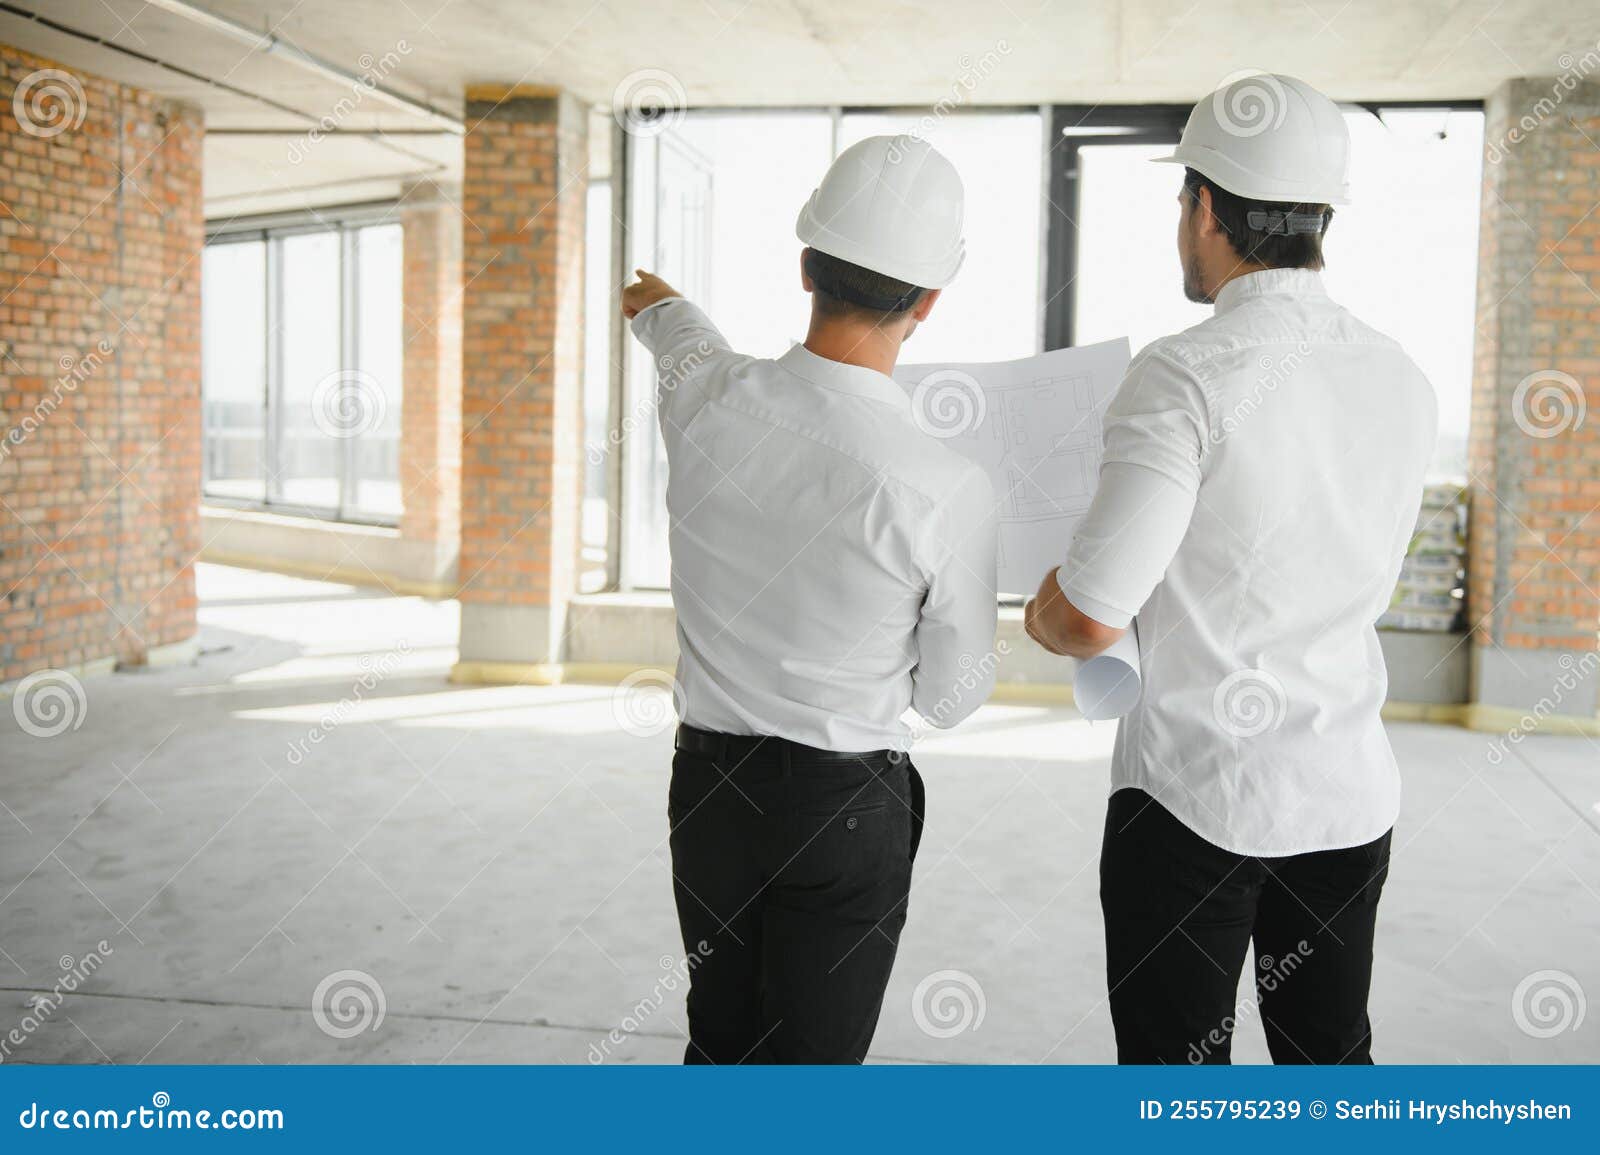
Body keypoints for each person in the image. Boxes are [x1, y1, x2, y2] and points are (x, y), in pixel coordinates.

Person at [1024, 75, 1437, 1064]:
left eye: (1181, 201)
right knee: (1329, 1062)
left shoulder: (1185, 373)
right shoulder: (1399, 376)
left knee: (1177, 1083)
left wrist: (1045, 604)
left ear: (1205, 207)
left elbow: (1086, 617)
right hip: (1343, 793)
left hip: (1193, 801)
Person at [621, 135, 998, 1064]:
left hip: (707, 793)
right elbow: (948, 699)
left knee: (719, 1042)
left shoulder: (704, 396)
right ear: (929, 303)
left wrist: (657, 301)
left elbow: (674, 325)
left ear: (805, 265)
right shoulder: (943, 485)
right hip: (843, 809)